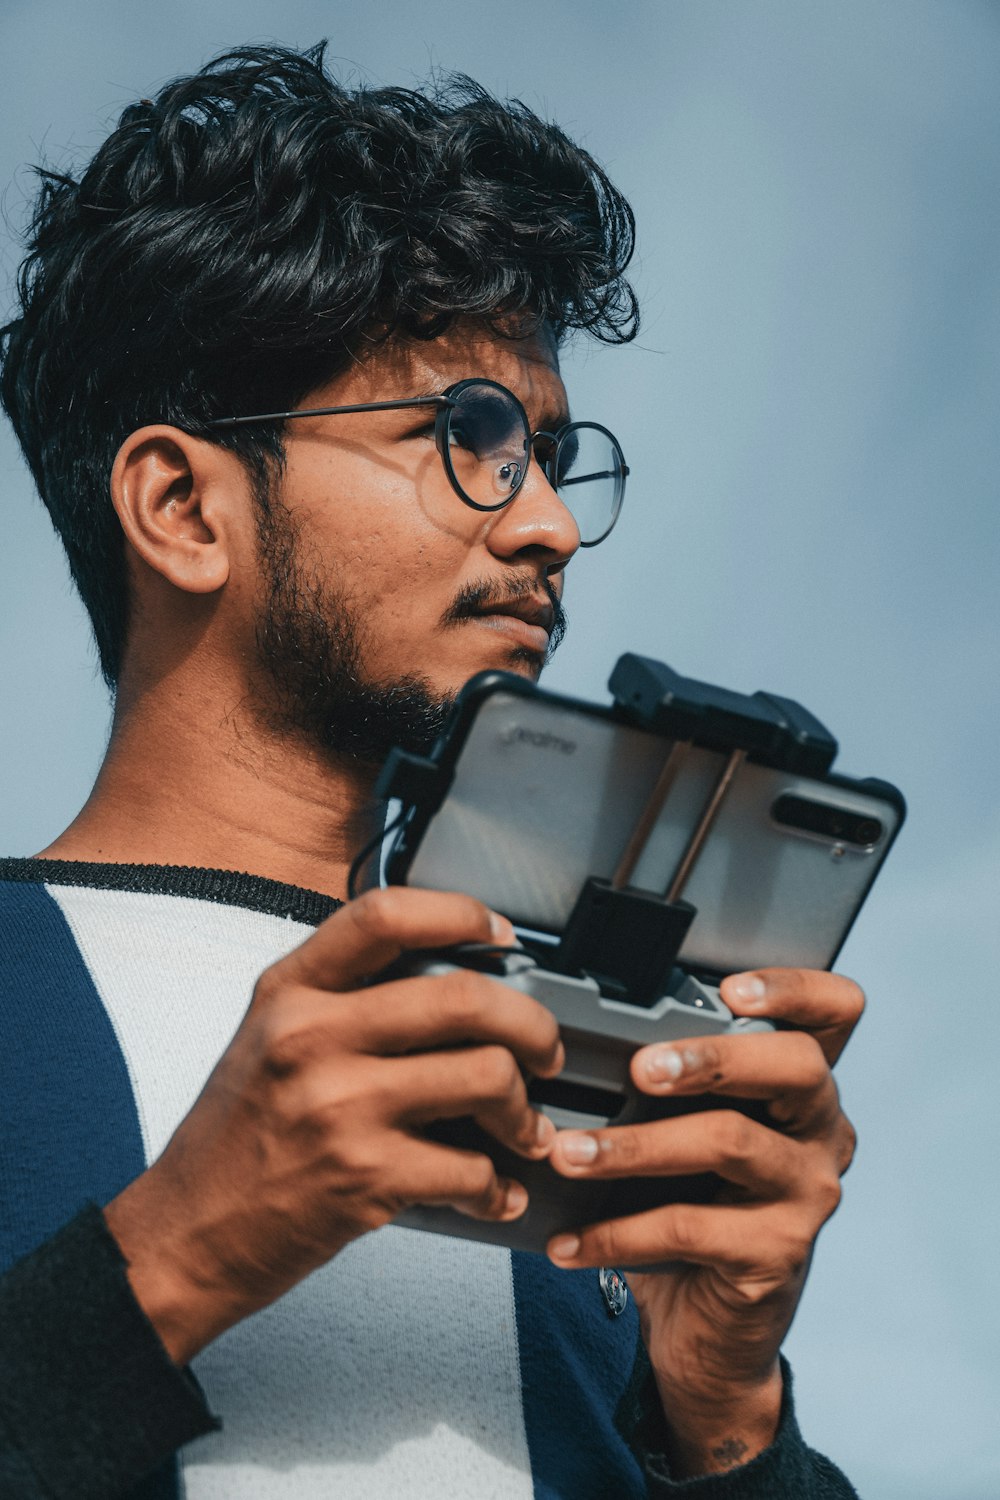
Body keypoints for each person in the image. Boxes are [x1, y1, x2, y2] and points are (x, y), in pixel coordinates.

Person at [0, 43, 863, 1500]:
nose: (549, 527)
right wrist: (177, 1254)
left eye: (548, 452)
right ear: (180, 506)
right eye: (465, 435)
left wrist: (724, 1422)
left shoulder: (582, 1082)